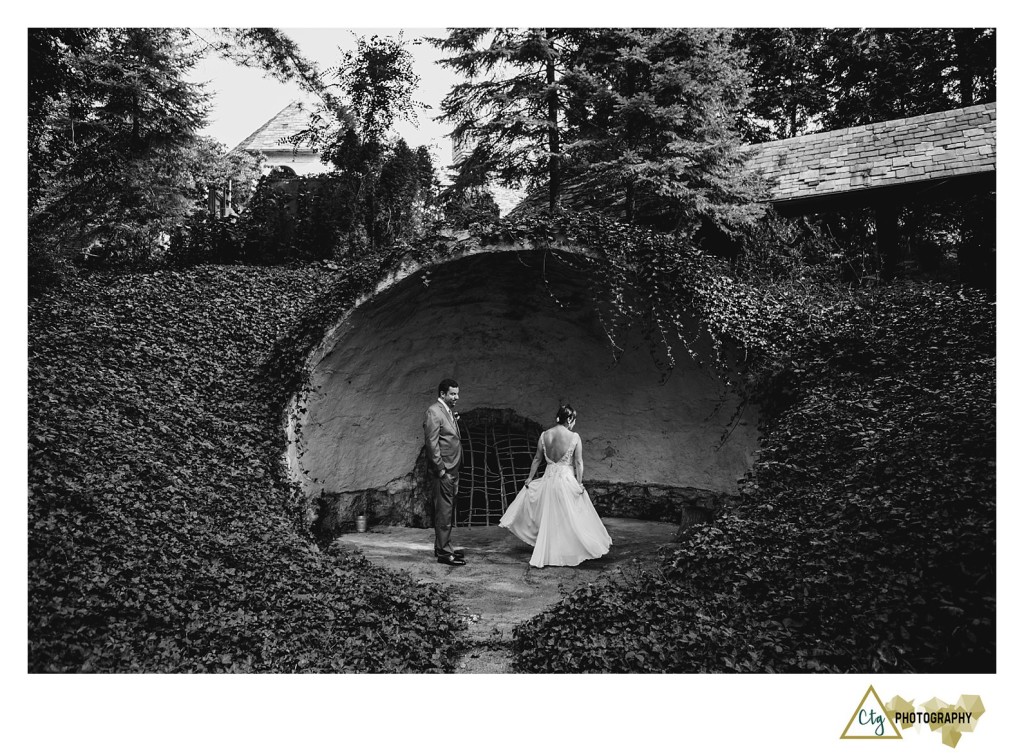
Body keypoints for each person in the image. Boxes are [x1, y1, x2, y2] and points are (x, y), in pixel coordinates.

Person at [499, 404, 612, 568]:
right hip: (566, 479)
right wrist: (579, 483)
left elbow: (537, 459)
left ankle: (553, 548)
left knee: (551, 514)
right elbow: (578, 462)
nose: (574, 424)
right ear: (570, 419)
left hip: (548, 479)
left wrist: (530, 478)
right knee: (570, 514)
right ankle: (568, 549)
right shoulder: (574, 437)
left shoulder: (545, 435)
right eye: (574, 420)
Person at [423, 378, 465, 566]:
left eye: (457, 393)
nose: (457, 397)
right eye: (453, 394)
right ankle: (443, 552)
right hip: (444, 470)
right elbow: (432, 444)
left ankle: (443, 546)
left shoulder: (447, 411)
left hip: (452, 468)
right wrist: (440, 470)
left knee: (446, 511)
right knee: (444, 511)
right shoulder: (434, 411)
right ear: (442, 394)